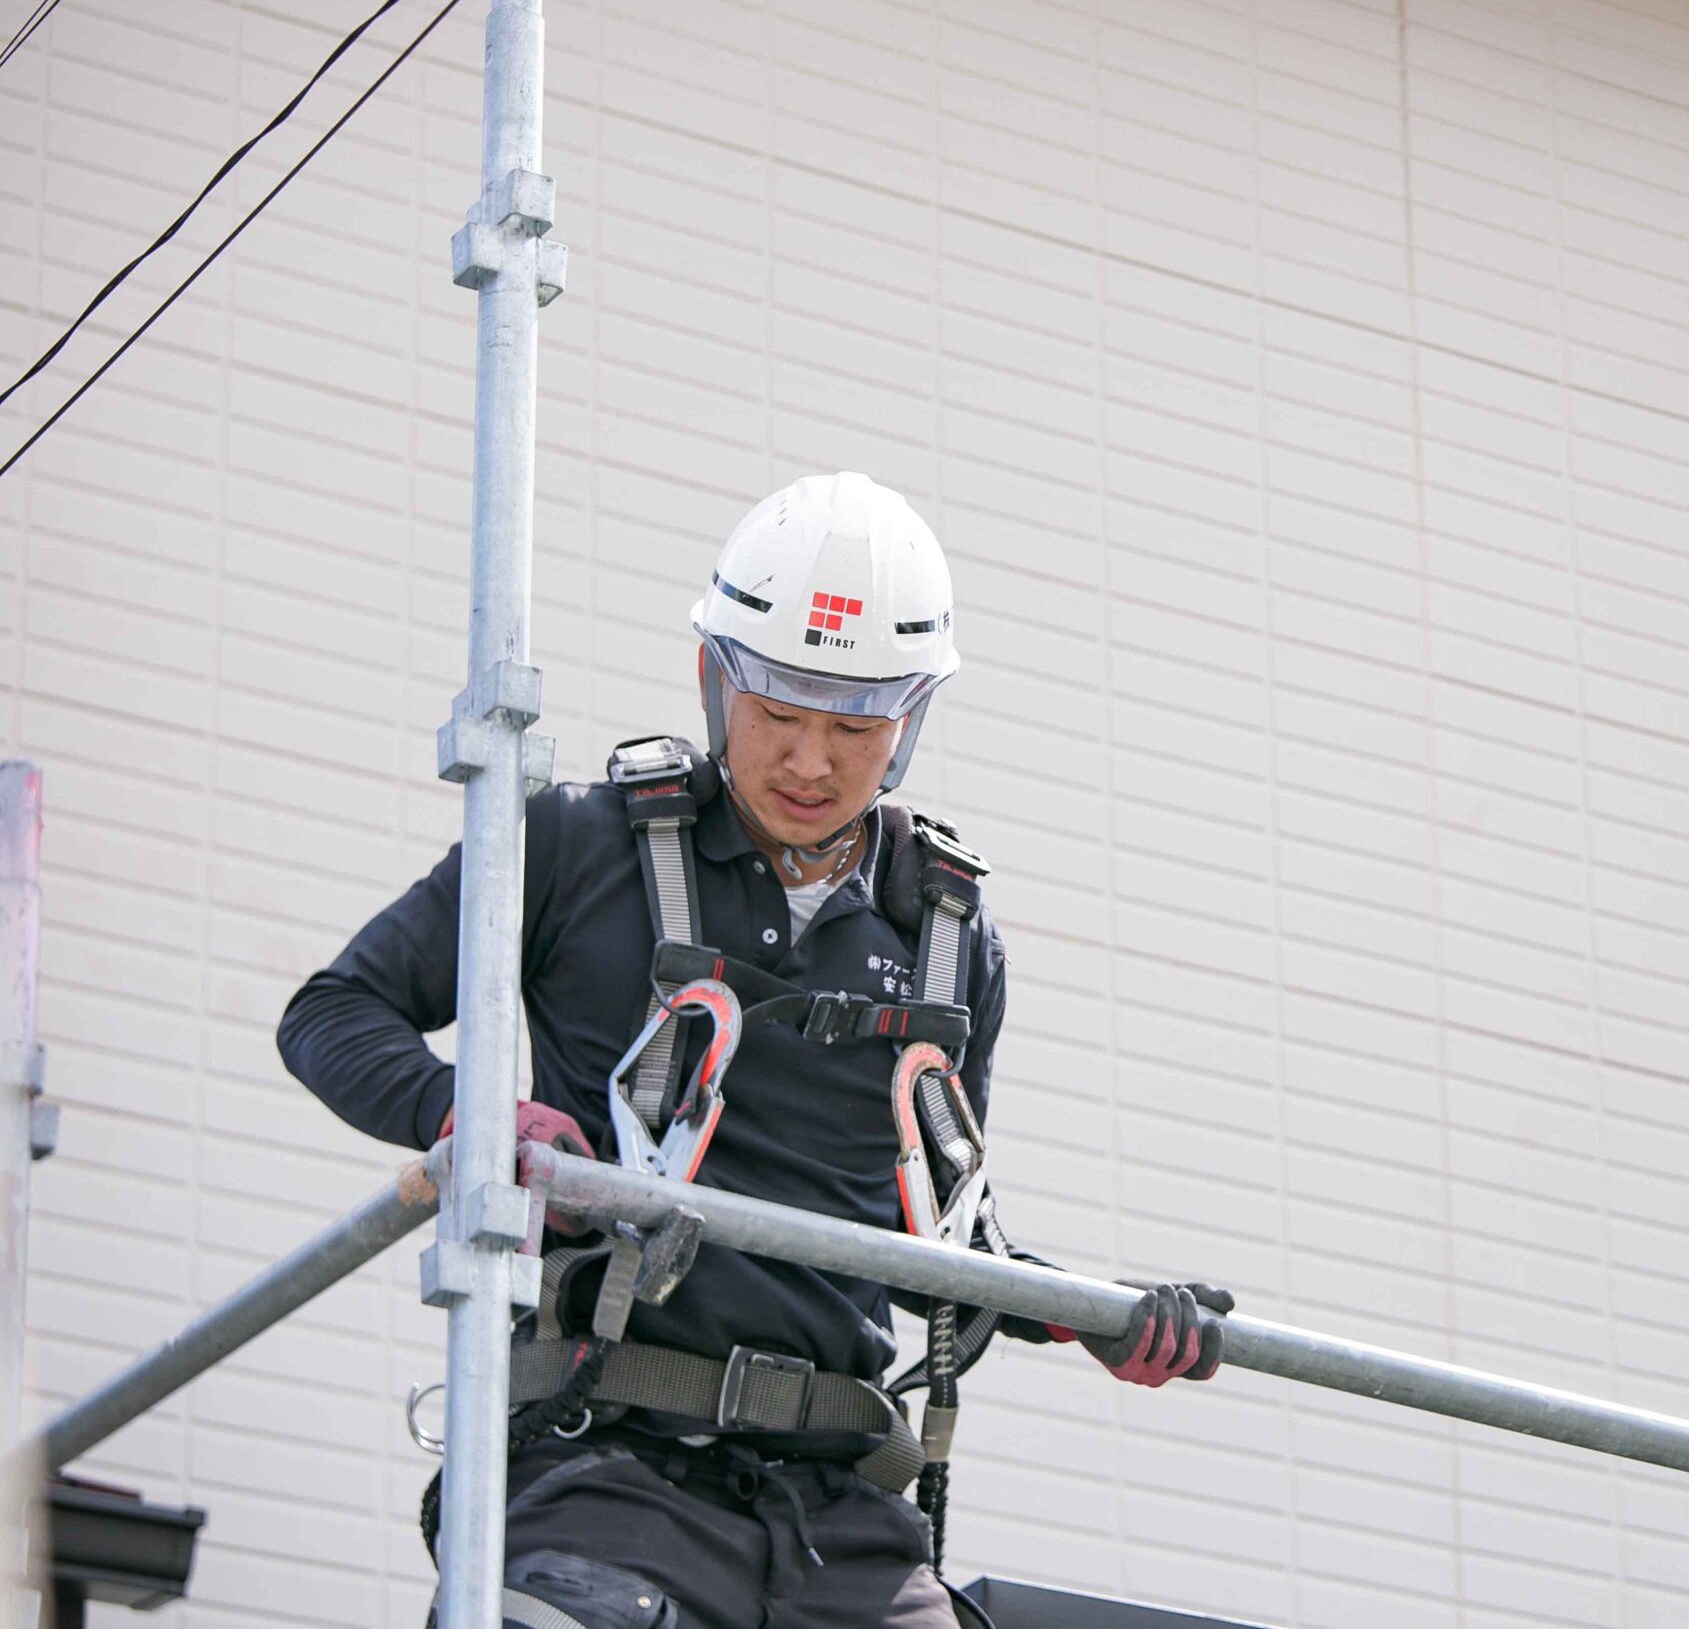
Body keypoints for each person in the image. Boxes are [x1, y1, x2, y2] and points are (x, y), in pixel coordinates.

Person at [280, 473, 1231, 1629]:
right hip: (604, 1463)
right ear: (713, 678)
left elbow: (940, 1237)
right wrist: (467, 1112)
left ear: (913, 720)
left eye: (854, 727)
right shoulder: (579, 846)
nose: (809, 761)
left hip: (843, 1518)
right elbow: (333, 1013)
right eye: (776, 712)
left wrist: (1093, 1311)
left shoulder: (948, 935)